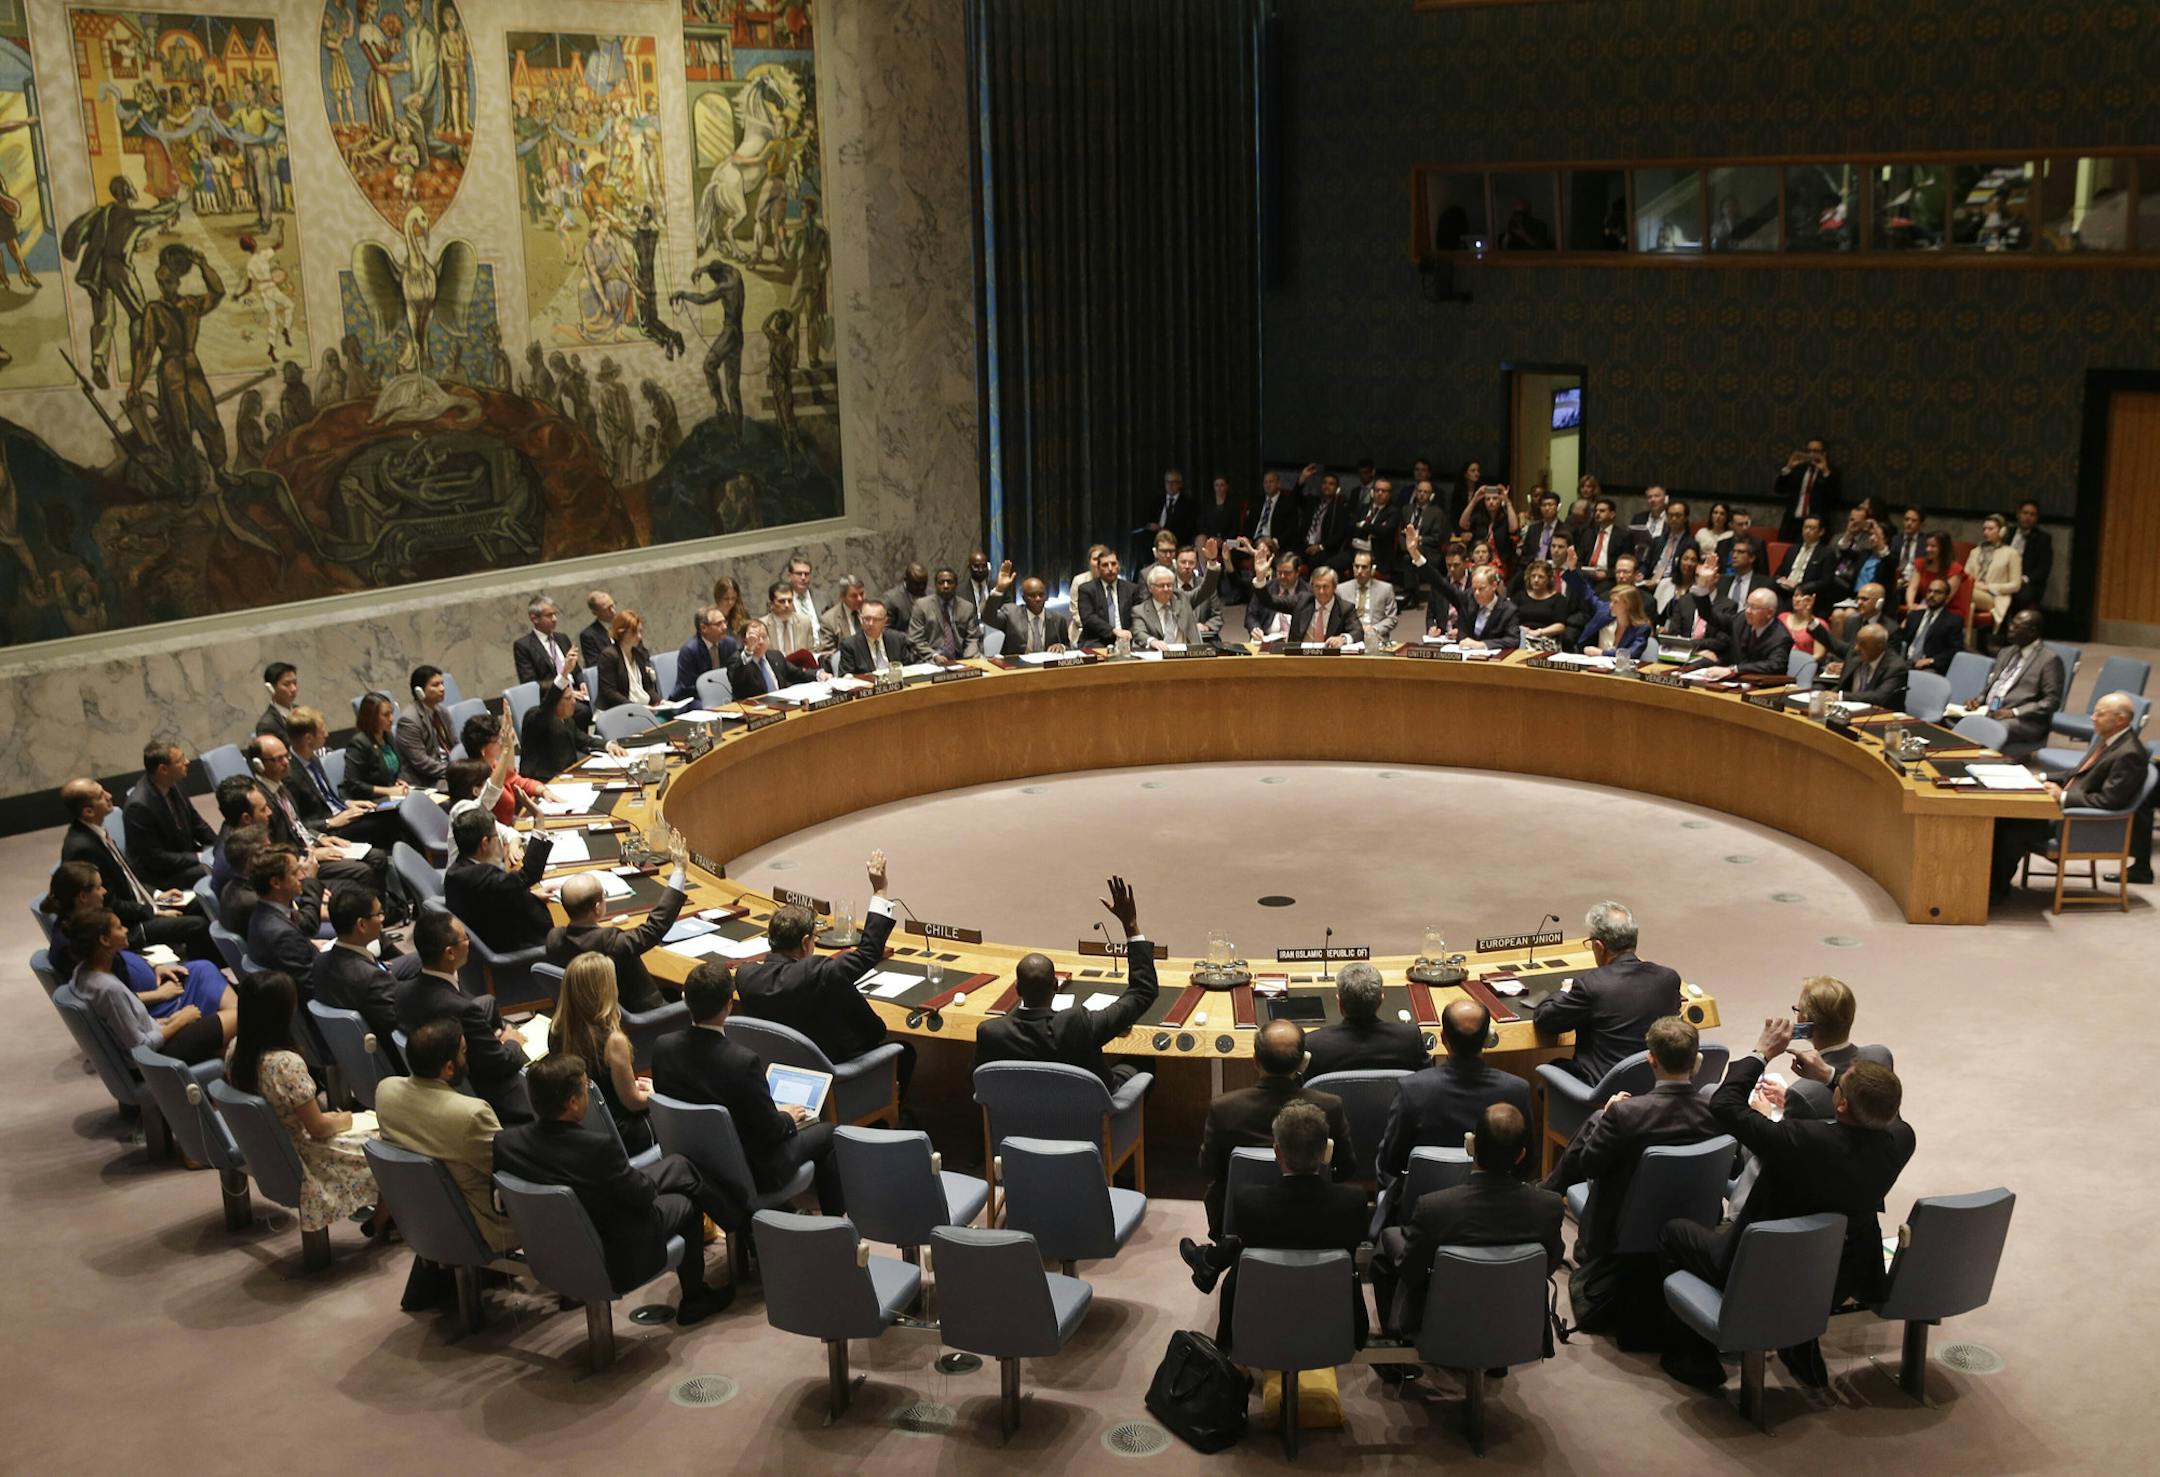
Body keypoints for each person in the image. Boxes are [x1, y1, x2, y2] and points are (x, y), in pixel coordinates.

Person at [1658, 1018, 1913, 1391]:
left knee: (1672, 1232)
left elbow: (1725, 1104)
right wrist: (1829, 1076)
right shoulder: (1901, 1140)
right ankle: (1799, 1338)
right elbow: (1883, 1114)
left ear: (1840, 1105)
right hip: (1836, 1277)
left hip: (1757, 1270)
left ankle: (1695, 1355)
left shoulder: (1802, 1140)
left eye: (1839, 1085)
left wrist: (1762, 1053)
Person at [493, 1054, 735, 1324]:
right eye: (585, 1088)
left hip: (555, 1244)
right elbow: (642, 1196)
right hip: (614, 1244)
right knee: (685, 1203)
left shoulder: (507, 1143)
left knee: (678, 1166)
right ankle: (698, 1295)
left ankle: (733, 1220)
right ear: (573, 1103)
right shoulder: (595, 1149)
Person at [1541, 1016, 1719, 1340]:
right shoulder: (1716, 1109)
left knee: (1597, 1118)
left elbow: (1590, 1166)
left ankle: (1545, 1194)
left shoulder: (1627, 1114)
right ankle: (1546, 1192)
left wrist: (1607, 1117)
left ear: (1651, 1061)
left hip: (1619, 1230)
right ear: (1697, 1062)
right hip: (1693, 1224)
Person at [652, 960, 845, 1220]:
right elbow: (771, 1131)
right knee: (828, 1131)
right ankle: (836, 1228)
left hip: (693, 1161)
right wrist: (788, 1116)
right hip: (752, 1171)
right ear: (728, 1006)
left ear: (687, 1001)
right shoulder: (742, 1062)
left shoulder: (663, 1048)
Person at [1181, 1101, 1369, 1349]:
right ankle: (1208, 1260)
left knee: (1239, 1248)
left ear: (1277, 1153)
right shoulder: (1354, 1202)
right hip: (1337, 1320)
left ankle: (1208, 1261)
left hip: (1260, 1317)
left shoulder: (1248, 1201)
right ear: (1326, 1151)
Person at [1374, 1103, 1565, 1338]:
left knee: (1387, 1242)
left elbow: (1411, 1270)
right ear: (1521, 1155)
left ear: (1471, 1146)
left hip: (1445, 1323)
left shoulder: (1434, 1208)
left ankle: (1396, 1343)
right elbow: (1550, 1264)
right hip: (1515, 1324)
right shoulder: (1549, 1207)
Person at [736, 851, 911, 1096]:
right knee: (905, 1051)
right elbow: (868, 952)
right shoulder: (816, 973)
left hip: (781, 1071)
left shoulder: (745, 976)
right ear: (806, 942)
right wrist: (879, 890)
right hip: (835, 1073)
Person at [228, 970, 385, 1237]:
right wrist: (343, 1119)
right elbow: (318, 1128)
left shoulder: (235, 1051)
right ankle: (384, 1221)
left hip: (273, 1147)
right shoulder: (285, 1064)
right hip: (307, 1155)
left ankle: (384, 1218)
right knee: (391, 1141)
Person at [974, 875, 1158, 1087]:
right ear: (1055, 986)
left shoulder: (991, 1033)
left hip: (1018, 1117)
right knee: (1143, 1062)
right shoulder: (1078, 1025)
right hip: (1091, 1115)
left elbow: (976, 1083)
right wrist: (1131, 925)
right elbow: (1143, 991)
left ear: (1017, 989)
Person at [1371, 999, 1533, 1229]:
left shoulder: (1413, 1089)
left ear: (1444, 1039)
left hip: (1424, 1210)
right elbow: (1527, 1164)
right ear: (1488, 1039)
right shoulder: (1517, 1090)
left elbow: (1392, 1162)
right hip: (1495, 1211)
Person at [1196, 1018, 1354, 1237]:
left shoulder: (1224, 1108)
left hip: (1242, 1216)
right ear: (1303, 1062)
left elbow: (1209, 1169)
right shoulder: (1329, 1106)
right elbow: (1346, 1168)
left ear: (1255, 1060)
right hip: (1315, 1214)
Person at [375, 1017, 517, 1252]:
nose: (466, 1057)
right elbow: (507, 1172)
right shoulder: (470, 1114)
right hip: (484, 1222)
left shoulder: (385, 1090)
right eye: (463, 1052)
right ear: (449, 1068)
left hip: (421, 1215)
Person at [1990, 690, 2147, 894]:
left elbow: (2109, 801)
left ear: (2120, 719)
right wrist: (2042, 778)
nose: (2092, 717)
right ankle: (1991, 884)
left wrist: (2062, 796)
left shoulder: (2129, 754)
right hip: (2066, 811)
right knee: (2001, 817)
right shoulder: (2109, 739)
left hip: (2078, 823)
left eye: (2100, 714)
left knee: (2012, 830)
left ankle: (1994, 891)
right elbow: (2076, 774)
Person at [395, 912, 533, 1124]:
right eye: (465, 937)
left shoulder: (402, 991)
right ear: (449, 953)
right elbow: (500, 1063)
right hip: (485, 1092)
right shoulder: (462, 1010)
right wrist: (512, 1041)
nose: (469, 942)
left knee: (487, 1002)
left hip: (435, 1071)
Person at [63, 904, 234, 1067]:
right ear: (105, 940)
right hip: (157, 1053)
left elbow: (131, 1024)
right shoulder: (108, 989)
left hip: (161, 1031)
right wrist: (181, 1021)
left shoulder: (82, 972)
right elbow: (139, 1048)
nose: (126, 930)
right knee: (243, 1014)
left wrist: (167, 1021)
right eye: (119, 927)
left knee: (234, 1042)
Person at [1533, 901, 1682, 1085]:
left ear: (1598, 946)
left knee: (1551, 1073)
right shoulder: (1668, 978)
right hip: (1653, 1083)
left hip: (1603, 1089)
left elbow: (1546, 1021)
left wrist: (1565, 991)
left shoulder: (1592, 986)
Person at [56, 784, 209, 958]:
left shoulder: (95, 833)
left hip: (139, 905)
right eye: (100, 796)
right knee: (197, 925)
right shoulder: (83, 849)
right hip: (124, 925)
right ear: (88, 811)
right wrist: (153, 913)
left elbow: (125, 878)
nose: (109, 795)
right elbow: (108, 903)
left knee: (201, 903)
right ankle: (196, 973)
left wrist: (157, 895)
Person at [548, 838, 689, 1013]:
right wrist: (679, 870)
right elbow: (654, 928)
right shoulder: (610, 943)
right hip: (642, 1017)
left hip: (591, 1014)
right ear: (598, 908)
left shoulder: (554, 938)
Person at [551, 953, 655, 1156]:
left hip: (582, 1128)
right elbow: (632, 1103)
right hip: (623, 1134)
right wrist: (655, 1092)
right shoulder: (614, 1041)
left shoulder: (556, 1031)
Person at [311, 884, 420, 1066]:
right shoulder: (372, 980)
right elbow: (408, 1023)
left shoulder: (320, 961)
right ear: (361, 925)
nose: (383, 920)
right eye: (378, 915)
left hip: (357, 1045)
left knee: (417, 961)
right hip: (398, 1059)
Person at [1780, 977, 1894, 1122]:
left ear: (1805, 1022)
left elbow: (1781, 1142)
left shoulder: (1801, 1093)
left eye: (1798, 1010)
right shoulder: (1881, 1056)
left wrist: (1762, 1113)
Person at [443, 807, 555, 955]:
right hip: (520, 946)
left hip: (494, 929)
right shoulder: (482, 876)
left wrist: (531, 895)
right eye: (496, 836)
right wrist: (539, 820)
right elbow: (528, 874)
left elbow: (491, 900)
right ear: (484, 843)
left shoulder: (457, 871)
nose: (499, 841)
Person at [1955, 609, 2064, 756]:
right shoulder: (2006, 651)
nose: (2010, 629)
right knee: (1952, 718)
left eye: (2016, 627)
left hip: (2024, 720)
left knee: (1991, 728)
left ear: (2032, 632)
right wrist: (1978, 700)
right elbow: (1995, 685)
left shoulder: (2049, 660)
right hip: (1993, 710)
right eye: (2011, 624)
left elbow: (2051, 701)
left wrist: (2013, 712)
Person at [1304, 962, 1426, 1078]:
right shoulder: (1410, 1038)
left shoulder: (1314, 1044)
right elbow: (1425, 1082)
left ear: (1340, 1003)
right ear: (1381, 1000)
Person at [122, 740, 217, 889]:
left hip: (181, 857)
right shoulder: (139, 807)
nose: (187, 762)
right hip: (160, 875)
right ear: (163, 769)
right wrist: (198, 857)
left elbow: (196, 822)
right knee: (216, 871)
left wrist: (218, 846)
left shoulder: (174, 783)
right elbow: (154, 858)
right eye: (180, 761)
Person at [520, 680, 626, 783]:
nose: (574, 702)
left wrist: (608, 745)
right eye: (568, 698)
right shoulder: (534, 719)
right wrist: (564, 674)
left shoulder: (567, 720)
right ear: (553, 702)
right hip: (542, 782)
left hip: (567, 776)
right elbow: (545, 709)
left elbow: (584, 740)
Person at [246, 846, 327, 982]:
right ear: (276, 883)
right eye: (295, 873)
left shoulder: (265, 909)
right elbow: (311, 985)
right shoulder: (283, 935)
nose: (302, 876)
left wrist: (308, 944)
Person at [1696, 588, 1794, 680]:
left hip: (1761, 686)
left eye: (1754, 608)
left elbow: (1774, 666)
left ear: (1770, 613)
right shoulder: (1741, 619)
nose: (1748, 611)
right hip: (1732, 680)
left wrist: (1734, 670)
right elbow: (1712, 617)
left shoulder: (1781, 638)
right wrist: (1702, 589)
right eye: (1747, 605)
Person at [392, 666, 456, 788]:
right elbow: (422, 763)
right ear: (419, 691)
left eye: (442, 684)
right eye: (435, 685)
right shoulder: (409, 720)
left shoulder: (442, 711)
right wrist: (456, 771)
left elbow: (455, 743)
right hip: (425, 780)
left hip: (446, 770)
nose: (442, 688)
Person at [342, 692, 412, 802]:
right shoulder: (359, 742)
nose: (391, 718)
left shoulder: (387, 735)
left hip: (393, 795)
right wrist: (389, 791)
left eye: (391, 713)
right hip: (371, 801)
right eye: (385, 715)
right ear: (371, 717)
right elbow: (353, 784)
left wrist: (399, 780)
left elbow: (398, 767)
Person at [1824, 622, 1908, 708]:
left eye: (1863, 644)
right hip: (1847, 711)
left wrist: (1841, 696)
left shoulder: (1896, 668)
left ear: (1880, 646)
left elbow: (1879, 697)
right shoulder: (1854, 655)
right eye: (1857, 642)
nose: (1856, 648)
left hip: (1883, 715)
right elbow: (1842, 686)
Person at [1775, 438, 1841, 542]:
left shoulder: (1831, 472)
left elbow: (1834, 498)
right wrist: (1788, 468)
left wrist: (1825, 472)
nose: (1811, 454)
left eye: (1816, 451)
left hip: (1815, 526)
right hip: (1792, 523)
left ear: (1824, 453)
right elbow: (1779, 489)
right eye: (1809, 451)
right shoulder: (1798, 468)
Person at [514, 595, 582, 693]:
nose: (554, 619)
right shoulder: (523, 646)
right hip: (553, 698)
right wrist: (563, 687)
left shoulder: (562, 638)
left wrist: (582, 683)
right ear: (534, 619)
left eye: (555, 614)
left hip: (577, 691)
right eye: (549, 615)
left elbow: (577, 670)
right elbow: (530, 684)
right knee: (584, 709)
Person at [1966, 513, 2024, 625]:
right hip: (1974, 591)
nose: (1986, 532)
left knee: (1964, 593)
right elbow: (1966, 576)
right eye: (1984, 529)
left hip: (1995, 597)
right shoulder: (1975, 552)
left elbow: (2016, 585)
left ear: (2002, 531)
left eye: (1990, 529)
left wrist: (1988, 587)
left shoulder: (2011, 553)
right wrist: (1974, 584)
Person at [672, 606, 738, 702]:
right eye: (719, 624)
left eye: (725, 622)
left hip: (725, 695)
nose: (725, 627)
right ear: (703, 628)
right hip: (694, 699)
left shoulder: (730, 644)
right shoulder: (689, 651)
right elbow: (687, 688)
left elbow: (735, 675)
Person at [1128, 565, 1202, 650]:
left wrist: (1212, 563)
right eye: (1161, 586)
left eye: (1169, 585)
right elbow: (1138, 632)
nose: (1166, 589)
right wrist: (1152, 641)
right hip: (1158, 657)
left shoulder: (1182, 600)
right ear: (1151, 588)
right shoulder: (1140, 611)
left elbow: (1205, 590)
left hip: (1187, 656)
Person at [597, 610, 659, 711]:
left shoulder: (638, 653)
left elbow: (647, 687)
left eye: (640, 631)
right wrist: (637, 708)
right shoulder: (608, 656)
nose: (639, 636)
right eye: (635, 632)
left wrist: (660, 701)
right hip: (619, 711)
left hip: (643, 708)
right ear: (621, 632)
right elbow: (609, 692)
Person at [1288, 564, 1363, 647]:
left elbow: (1358, 632)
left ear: (1334, 587)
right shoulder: (1302, 601)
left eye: (1325, 587)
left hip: (1330, 657)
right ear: (1312, 587)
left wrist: (1342, 639)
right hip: (1299, 656)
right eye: (1317, 587)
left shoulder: (1345, 608)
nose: (1321, 592)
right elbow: (1274, 602)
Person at [1076, 551, 1141, 647]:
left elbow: (1137, 615)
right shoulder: (1086, 589)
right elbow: (1088, 618)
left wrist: (1129, 633)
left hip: (1127, 638)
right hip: (1096, 639)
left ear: (1119, 566)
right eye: (1105, 565)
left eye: (1114, 564)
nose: (1110, 568)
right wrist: (1113, 631)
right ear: (1098, 568)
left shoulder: (1131, 589)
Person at [1899, 577, 1963, 672]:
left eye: (1938, 592)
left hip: (1929, 666)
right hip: (1906, 661)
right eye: (1929, 591)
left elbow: (1954, 650)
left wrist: (1931, 661)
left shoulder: (1953, 621)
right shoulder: (1914, 616)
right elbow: (1901, 640)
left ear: (1947, 597)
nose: (1931, 595)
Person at [834, 600, 911, 678]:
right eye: (867, 619)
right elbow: (845, 678)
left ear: (885, 621)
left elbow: (909, 669)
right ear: (861, 619)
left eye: (876, 619)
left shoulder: (898, 639)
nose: (870, 623)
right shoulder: (850, 646)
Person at [993, 578, 1067, 656]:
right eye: (1032, 595)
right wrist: (998, 590)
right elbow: (988, 618)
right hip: (1017, 665)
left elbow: (1067, 645)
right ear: (1023, 598)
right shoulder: (1011, 614)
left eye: (1041, 595)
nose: (1038, 599)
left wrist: (1061, 646)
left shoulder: (1058, 619)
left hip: (1046, 665)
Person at [1244, 550, 1307, 641]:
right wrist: (1255, 628)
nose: (1282, 576)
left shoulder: (1307, 592)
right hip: (1266, 637)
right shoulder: (1265, 588)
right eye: (1279, 572)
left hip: (1295, 642)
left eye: (1287, 573)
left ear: (1297, 572)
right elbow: (1251, 615)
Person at [2007, 499, 2053, 616]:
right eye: (2025, 513)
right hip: (2004, 578)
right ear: (2018, 514)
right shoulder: (2007, 532)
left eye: (2032, 515)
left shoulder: (2043, 539)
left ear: (2037, 518)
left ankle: (2016, 630)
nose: (2028, 517)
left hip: (2026, 582)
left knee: (2022, 596)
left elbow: (2043, 569)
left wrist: (2024, 579)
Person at [1586, 582, 1654, 659]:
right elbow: (1588, 594)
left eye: (1616, 602)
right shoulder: (1606, 619)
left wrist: (1602, 652)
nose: (1611, 605)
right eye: (1611, 601)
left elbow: (1632, 653)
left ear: (1628, 605)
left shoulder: (1642, 628)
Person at [1903, 531, 1964, 614]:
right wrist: (1911, 605)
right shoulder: (1921, 564)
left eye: (1933, 546)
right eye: (1927, 546)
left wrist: (1923, 608)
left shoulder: (1955, 569)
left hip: (1947, 610)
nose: (1928, 549)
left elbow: (1945, 598)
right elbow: (1912, 588)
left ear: (1943, 548)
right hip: (1924, 605)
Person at [765, 580, 819, 660]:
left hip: (801, 670)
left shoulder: (805, 622)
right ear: (771, 604)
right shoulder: (763, 625)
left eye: (790, 601)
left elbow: (810, 652)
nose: (787, 605)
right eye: (782, 601)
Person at [817, 575, 868, 653]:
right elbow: (827, 653)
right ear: (842, 597)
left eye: (861, 594)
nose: (860, 599)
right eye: (854, 596)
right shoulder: (828, 620)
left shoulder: (873, 610)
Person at [257, 662, 300, 744]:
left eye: (295, 683)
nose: (293, 689)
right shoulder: (267, 724)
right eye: (286, 684)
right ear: (271, 688)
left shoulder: (300, 711)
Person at [882, 564, 932, 632]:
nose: (922, 587)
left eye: (924, 583)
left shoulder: (931, 595)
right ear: (906, 580)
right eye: (917, 584)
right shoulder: (891, 599)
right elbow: (886, 631)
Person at [578, 590, 619, 672]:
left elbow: (641, 652)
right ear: (595, 613)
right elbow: (594, 665)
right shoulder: (589, 635)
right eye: (606, 609)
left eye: (612, 605)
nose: (613, 611)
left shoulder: (625, 625)